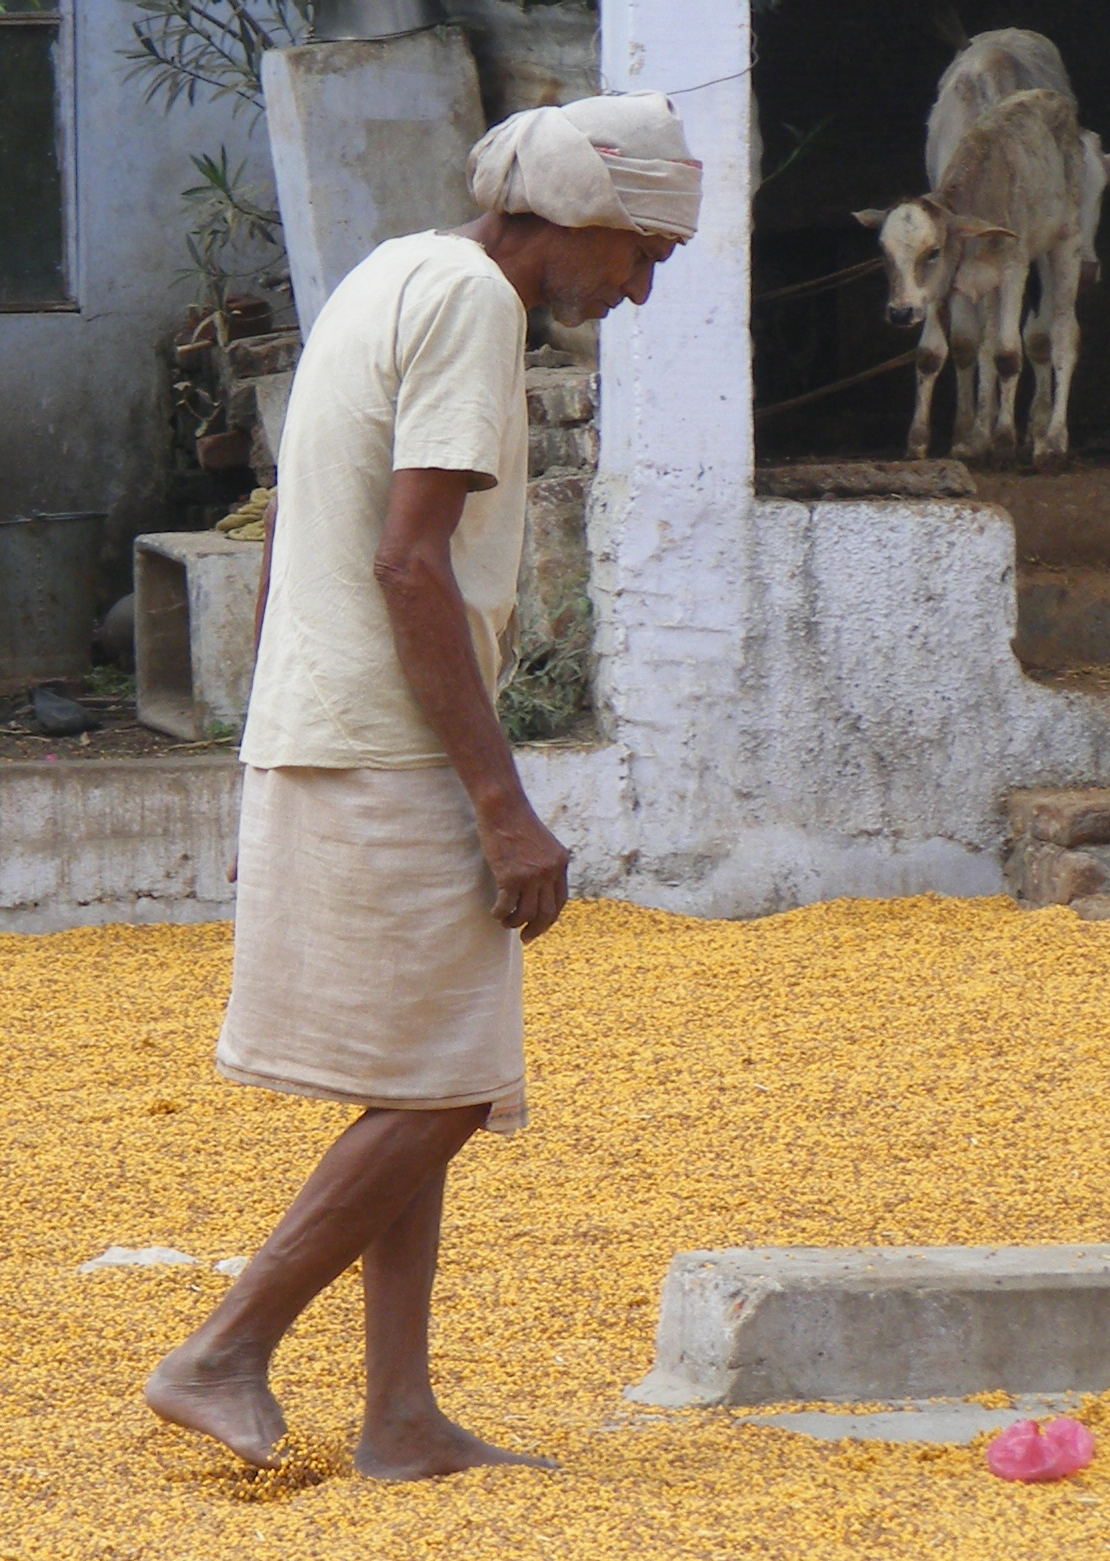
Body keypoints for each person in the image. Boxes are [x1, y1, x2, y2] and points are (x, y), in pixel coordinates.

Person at [142, 94, 702, 1480]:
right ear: (568, 219)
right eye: (637, 254)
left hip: (328, 730)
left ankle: (400, 1414)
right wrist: (505, 804)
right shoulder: (472, 307)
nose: (634, 290)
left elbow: (297, 533)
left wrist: (260, 751)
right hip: (385, 746)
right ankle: (224, 1347)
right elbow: (409, 565)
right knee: (447, 1090)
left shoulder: (392, 271)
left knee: (420, 1073)